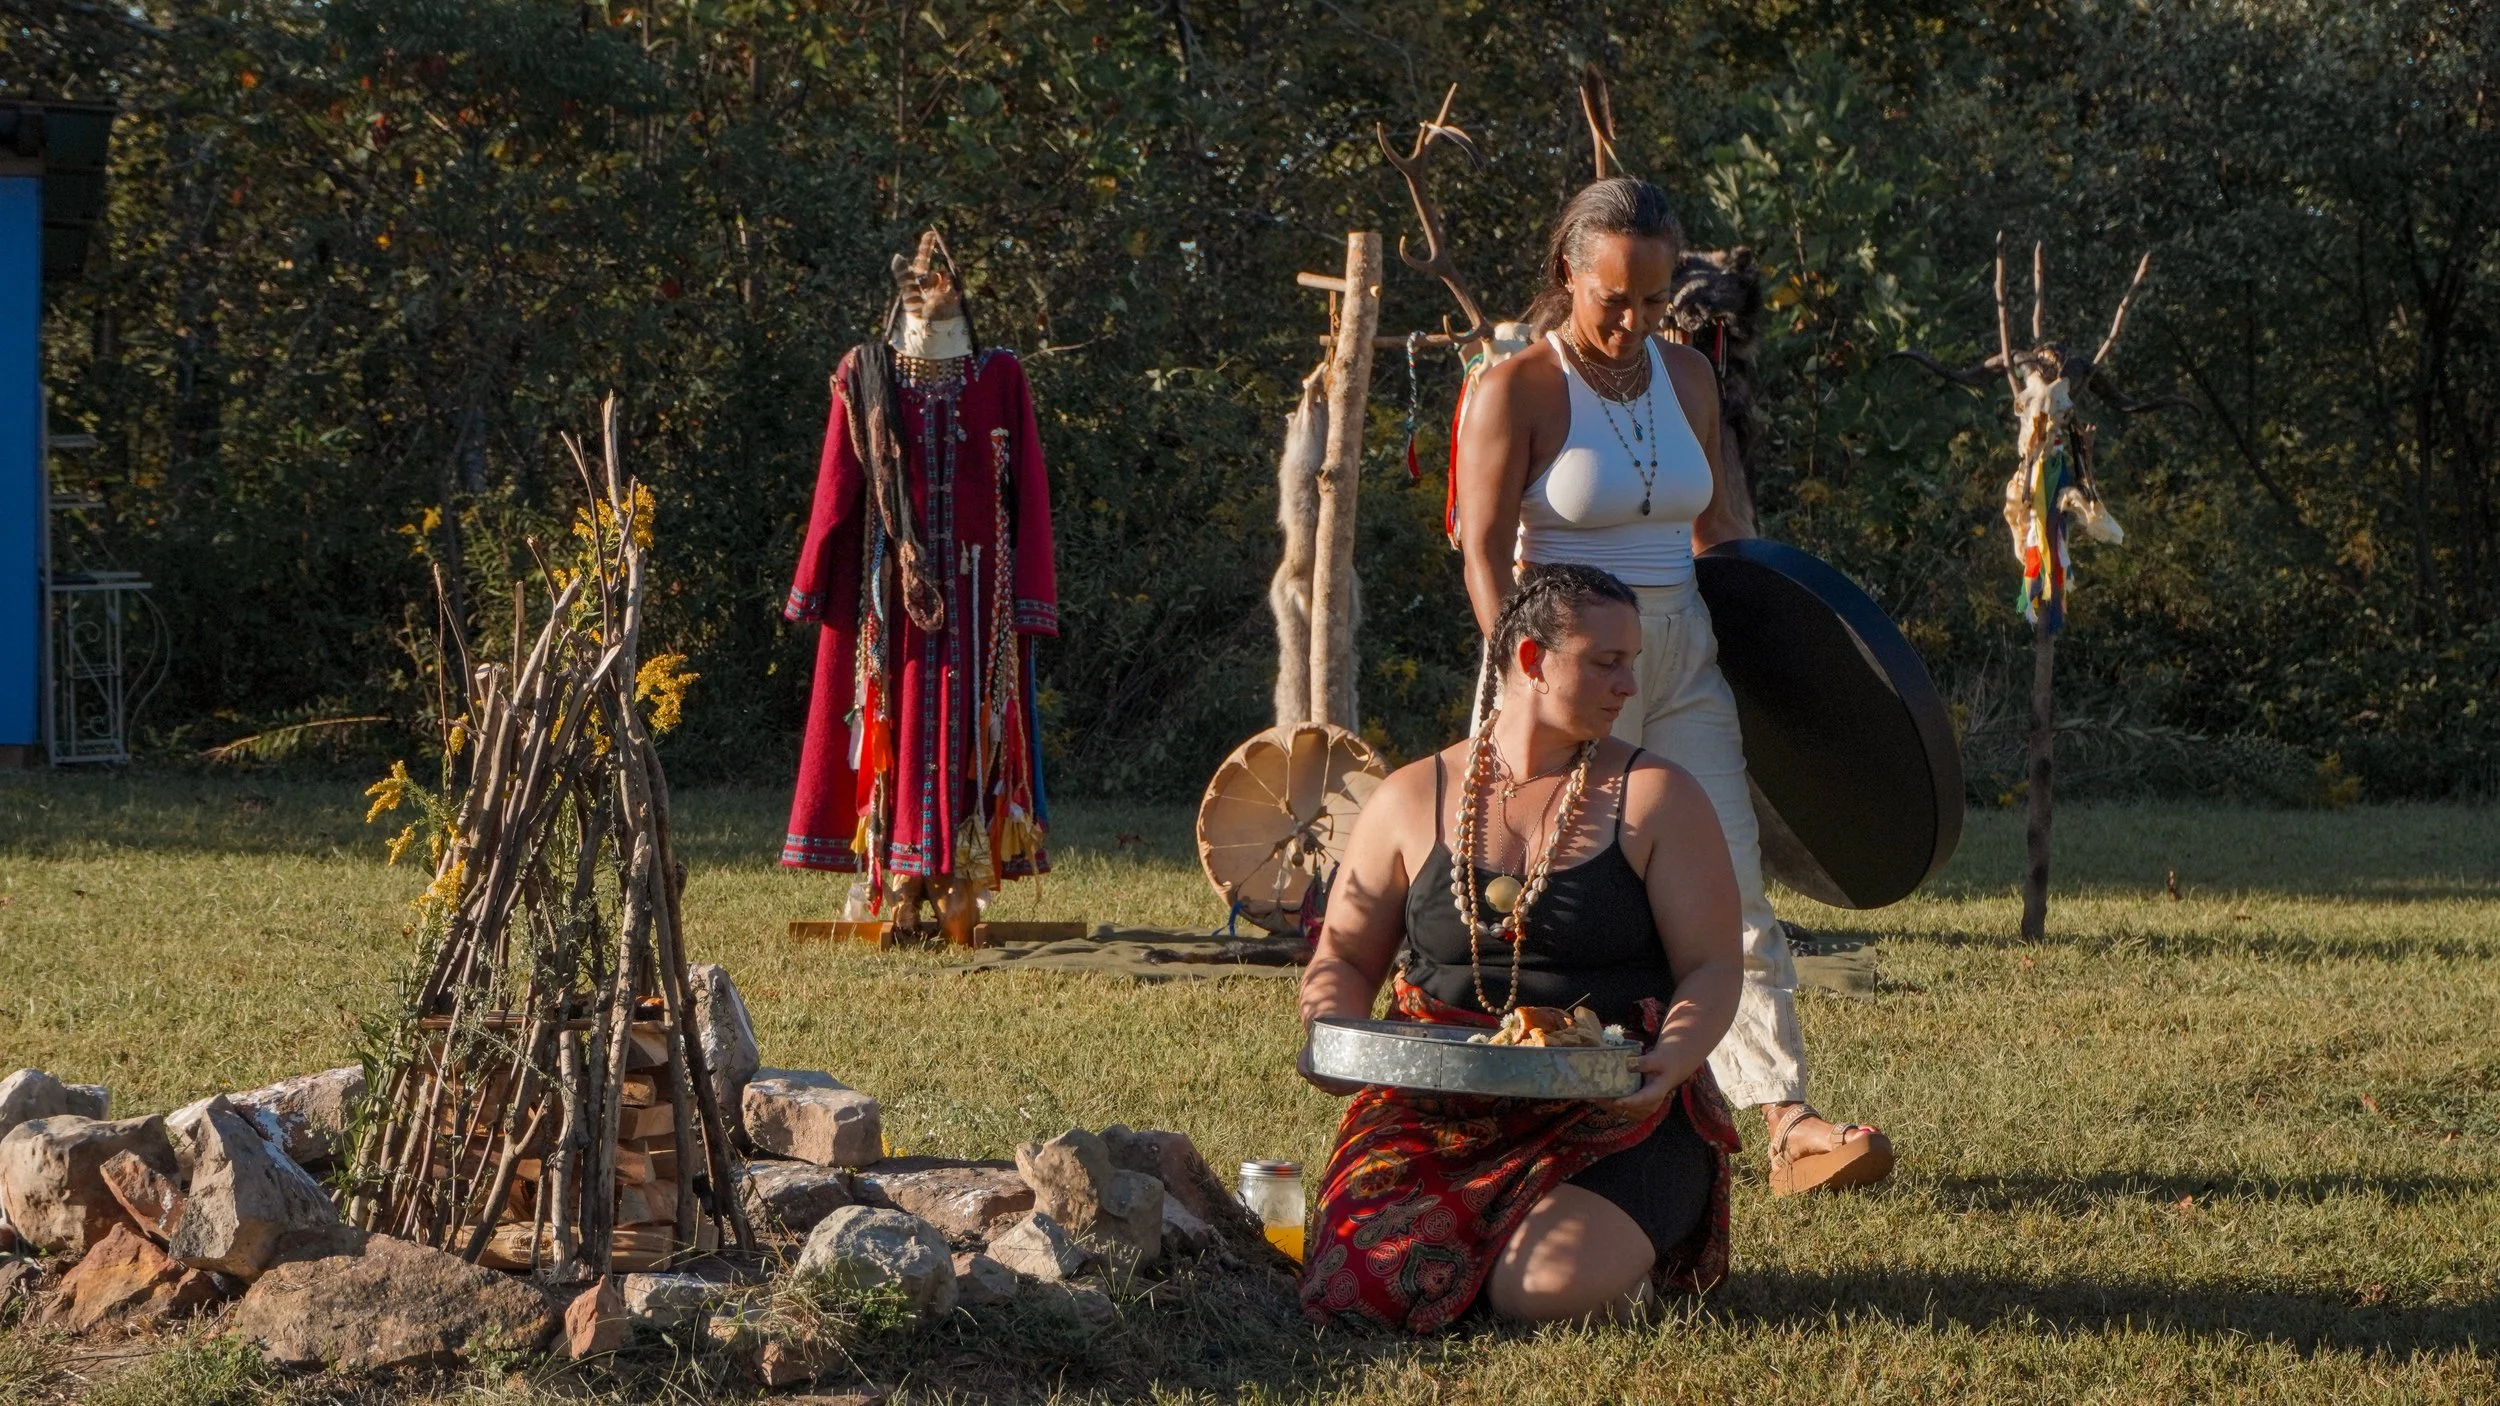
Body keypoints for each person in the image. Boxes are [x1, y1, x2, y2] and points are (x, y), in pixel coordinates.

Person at [1451, 177, 1893, 1196]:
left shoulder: (1688, 377)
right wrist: (1528, 679)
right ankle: (1498, 1106)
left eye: (1654, 301)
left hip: (1683, 651)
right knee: (1534, 882)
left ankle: (1786, 1120)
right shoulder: (1516, 387)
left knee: (1727, 882)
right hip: (1556, 657)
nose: (1635, 321)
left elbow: (1719, 540)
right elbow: (1480, 554)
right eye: (1616, 298)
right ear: (1569, 272)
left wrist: (1797, 664)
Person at [1296, 564, 1743, 1332]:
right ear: (1532, 661)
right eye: (1607, 662)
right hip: (1434, 1103)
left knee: (1539, 1289)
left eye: (1632, 661)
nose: (1629, 685)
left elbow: (1712, 964)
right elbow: (1342, 956)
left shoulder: (1658, 797)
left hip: (1609, 1107)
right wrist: (1335, 1040)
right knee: (1355, 1289)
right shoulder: (1411, 796)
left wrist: (1674, 1055)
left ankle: (1604, 1273)